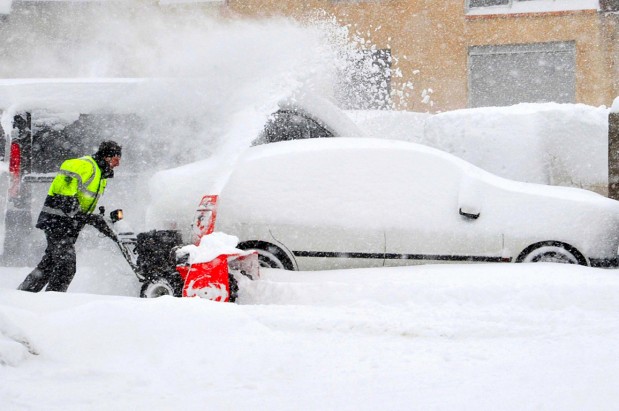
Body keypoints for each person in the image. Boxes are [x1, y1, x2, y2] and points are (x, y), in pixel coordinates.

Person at [18, 141, 123, 293]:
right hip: (56, 221)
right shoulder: (84, 166)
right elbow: (64, 198)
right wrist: (89, 218)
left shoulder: (101, 176)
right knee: (66, 266)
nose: (117, 164)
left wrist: (96, 220)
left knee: (49, 264)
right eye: (116, 159)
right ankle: (54, 302)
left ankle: (24, 294)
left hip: (69, 225)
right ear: (106, 157)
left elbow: (81, 204)